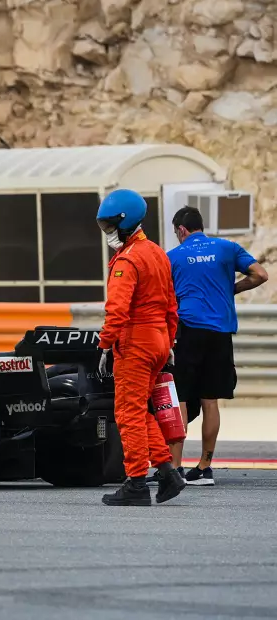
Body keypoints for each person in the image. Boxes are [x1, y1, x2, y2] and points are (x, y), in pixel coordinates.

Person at [95, 189, 186, 506]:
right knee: (141, 410)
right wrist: (169, 340)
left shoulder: (128, 260)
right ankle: (167, 472)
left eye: (110, 226)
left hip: (135, 342)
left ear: (125, 223)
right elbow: (172, 306)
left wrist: (105, 344)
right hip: (159, 338)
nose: (108, 233)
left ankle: (135, 483)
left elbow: (117, 310)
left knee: (127, 414)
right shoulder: (158, 253)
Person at [166, 205, 268, 486]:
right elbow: (260, 274)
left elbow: (164, 297)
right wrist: (232, 288)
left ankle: (175, 468)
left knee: (182, 399)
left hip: (187, 331)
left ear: (182, 230)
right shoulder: (227, 247)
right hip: (220, 332)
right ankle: (204, 466)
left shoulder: (173, 257)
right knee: (211, 401)